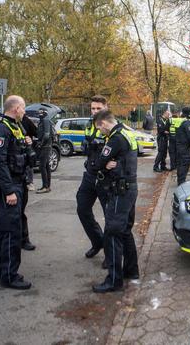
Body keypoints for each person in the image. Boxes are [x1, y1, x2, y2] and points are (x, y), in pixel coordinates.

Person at [0, 95, 33, 290]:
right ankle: (9, 275)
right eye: (23, 108)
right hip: (9, 187)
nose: (24, 112)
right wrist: (9, 191)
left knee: (3, 229)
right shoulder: (1, 128)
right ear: (15, 108)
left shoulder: (15, 127)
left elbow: (19, 154)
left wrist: (28, 144)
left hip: (17, 183)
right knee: (10, 232)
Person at [92, 110, 139, 293]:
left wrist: (105, 163)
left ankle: (114, 280)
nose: (99, 131)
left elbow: (97, 163)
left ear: (103, 123)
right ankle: (131, 270)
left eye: (99, 128)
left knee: (112, 233)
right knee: (125, 230)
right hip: (130, 187)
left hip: (120, 191)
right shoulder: (127, 132)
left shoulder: (115, 138)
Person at [77, 95, 109, 261]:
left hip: (105, 178)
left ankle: (110, 255)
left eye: (98, 108)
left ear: (105, 107)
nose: (95, 111)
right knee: (82, 209)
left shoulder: (112, 125)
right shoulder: (90, 125)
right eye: (93, 108)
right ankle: (98, 241)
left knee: (109, 217)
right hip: (89, 175)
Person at [18, 113, 37, 251]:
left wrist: (30, 141)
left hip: (21, 175)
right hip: (8, 178)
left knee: (21, 212)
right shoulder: (2, 126)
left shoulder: (24, 123)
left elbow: (37, 133)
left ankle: (24, 239)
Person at [175, 107, 190, 185]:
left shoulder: (179, 121)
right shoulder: (187, 123)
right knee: (185, 163)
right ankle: (181, 181)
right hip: (185, 147)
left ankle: (180, 180)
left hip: (179, 145)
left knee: (180, 163)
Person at [36, 108, 53, 193]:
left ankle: (45, 187)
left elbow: (46, 134)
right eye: (38, 112)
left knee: (42, 166)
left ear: (45, 113)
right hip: (46, 145)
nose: (39, 114)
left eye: (41, 112)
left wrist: (40, 144)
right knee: (46, 166)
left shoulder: (45, 120)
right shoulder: (44, 120)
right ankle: (47, 186)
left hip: (45, 146)